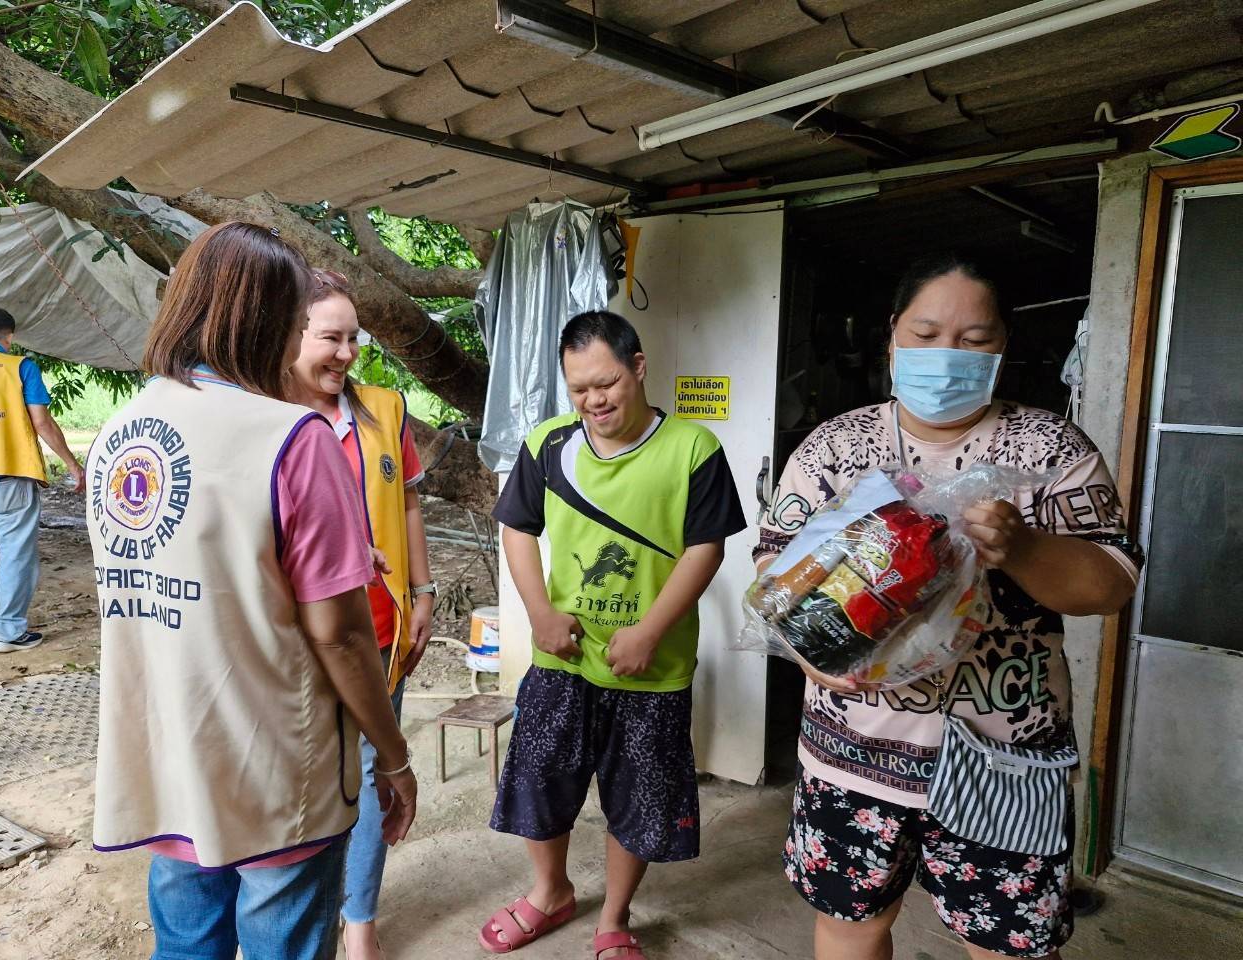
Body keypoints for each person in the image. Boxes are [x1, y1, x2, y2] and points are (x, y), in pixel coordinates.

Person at [757, 253, 1143, 960]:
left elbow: (1111, 585)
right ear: (892, 337)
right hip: (851, 753)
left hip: (1005, 759)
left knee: (1008, 946)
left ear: (1002, 348)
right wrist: (814, 656)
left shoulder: (1050, 448)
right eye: (927, 334)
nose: (946, 355)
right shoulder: (836, 447)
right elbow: (775, 567)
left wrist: (1023, 547)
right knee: (850, 928)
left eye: (973, 339)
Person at [85, 222, 417, 960]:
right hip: (274, 767)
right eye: (298, 322)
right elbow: (341, 633)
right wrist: (392, 756)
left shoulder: (121, 430)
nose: (300, 339)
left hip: (171, 754)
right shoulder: (293, 438)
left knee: (187, 943)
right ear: (265, 320)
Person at [481, 310, 747, 960]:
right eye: (579, 389)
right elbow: (518, 529)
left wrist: (650, 632)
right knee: (539, 780)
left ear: (638, 367)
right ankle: (550, 892)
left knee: (639, 795)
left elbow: (705, 548)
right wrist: (540, 615)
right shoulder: (548, 444)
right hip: (563, 657)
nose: (594, 400)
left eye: (606, 383)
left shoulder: (693, 448)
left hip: (651, 667)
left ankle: (615, 917)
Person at [290, 268, 435, 960]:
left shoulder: (385, 409)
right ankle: (306, 918)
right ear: (290, 334)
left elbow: (407, 502)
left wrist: (423, 590)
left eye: (354, 339)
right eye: (330, 337)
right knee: (311, 782)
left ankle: (361, 924)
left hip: (379, 629)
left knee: (377, 768)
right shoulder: (266, 416)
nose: (346, 354)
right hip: (296, 641)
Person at [0, 306, 85, 653]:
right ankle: (7, 630)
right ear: (10, 338)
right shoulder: (20, 367)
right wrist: (72, 465)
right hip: (10, 475)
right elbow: (41, 422)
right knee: (15, 550)